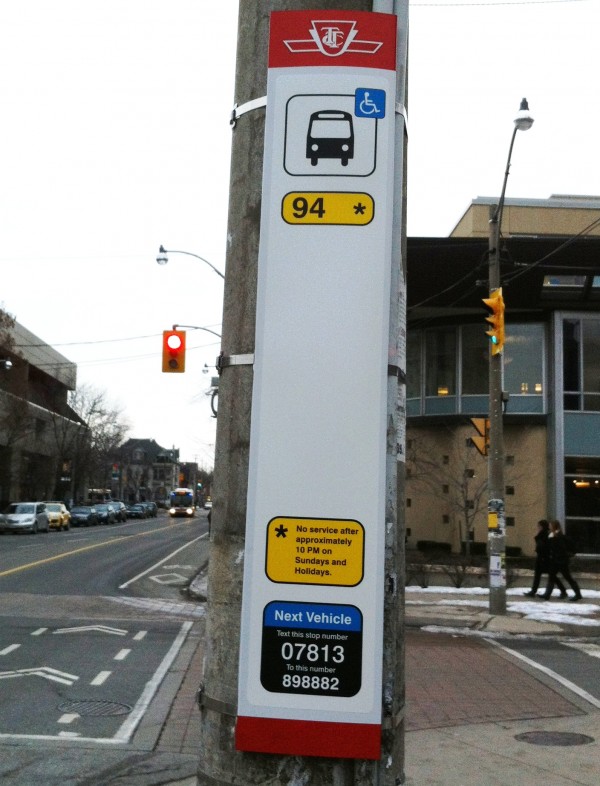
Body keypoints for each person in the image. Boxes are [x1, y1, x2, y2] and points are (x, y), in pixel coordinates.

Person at [523, 519, 567, 598]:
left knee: (550, 575)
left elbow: (545, 546)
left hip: (544, 559)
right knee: (545, 575)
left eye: (539, 526)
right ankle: (534, 590)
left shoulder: (546, 535)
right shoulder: (544, 534)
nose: (538, 527)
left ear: (542, 526)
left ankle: (561, 591)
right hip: (543, 558)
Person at [541, 519, 583, 602]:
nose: (549, 526)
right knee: (552, 577)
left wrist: (563, 555)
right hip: (556, 560)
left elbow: (561, 548)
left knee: (567, 577)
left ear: (553, 526)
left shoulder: (558, 536)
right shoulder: (553, 535)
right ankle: (547, 594)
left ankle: (578, 594)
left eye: (550, 525)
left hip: (560, 561)